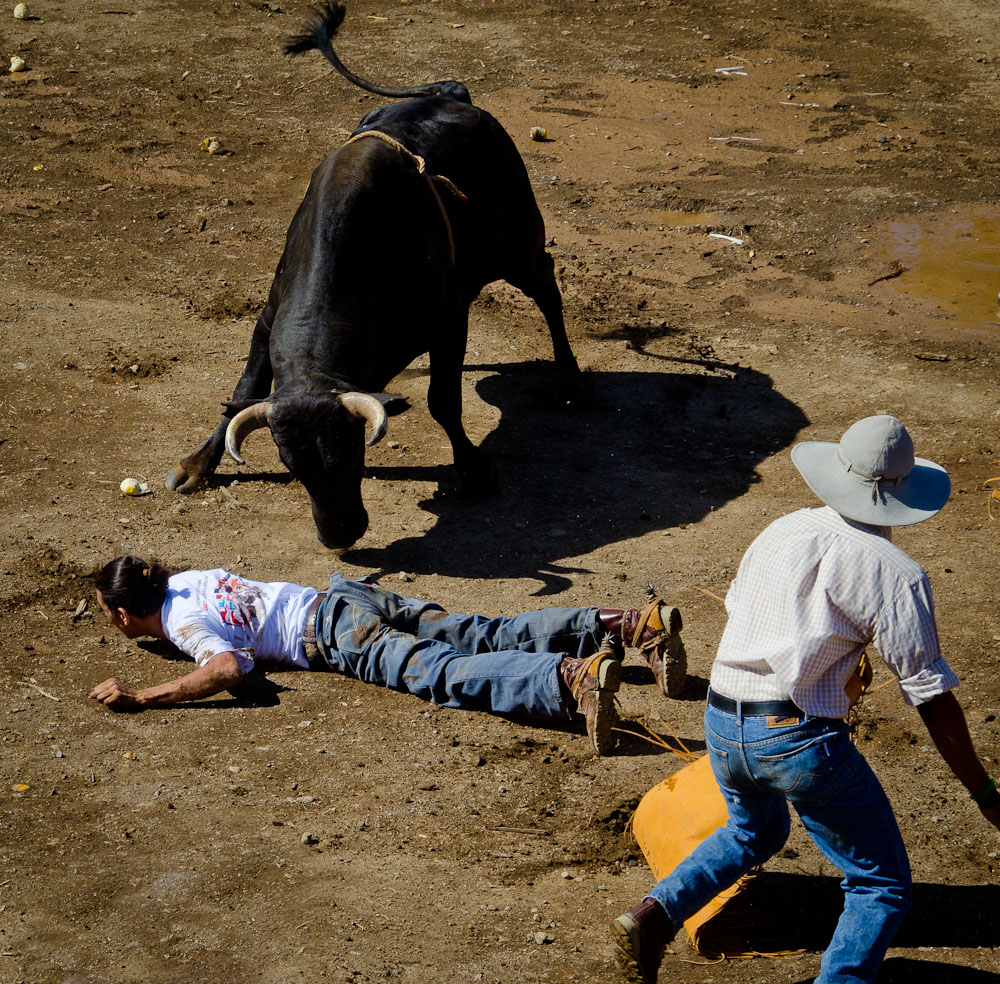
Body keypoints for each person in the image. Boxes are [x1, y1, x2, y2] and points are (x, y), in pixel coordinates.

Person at [612, 414, 1000, 984]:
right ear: (905, 492)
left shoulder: (784, 528)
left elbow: (743, 609)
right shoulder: (898, 574)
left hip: (722, 719)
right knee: (881, 882)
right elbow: (930, 695)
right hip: (797, 739)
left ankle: (652, 915)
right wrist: (984, 792)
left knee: (754, 831)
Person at [89, 558, 685, 756]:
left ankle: (567, 678)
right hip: (349, 593)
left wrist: (145, 697)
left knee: (444, 672)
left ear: (123, 614)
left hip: (339, 635)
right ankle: (634, 623)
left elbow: (227, 667)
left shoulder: (180, 622)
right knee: (480, 630)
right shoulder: (187, 581)